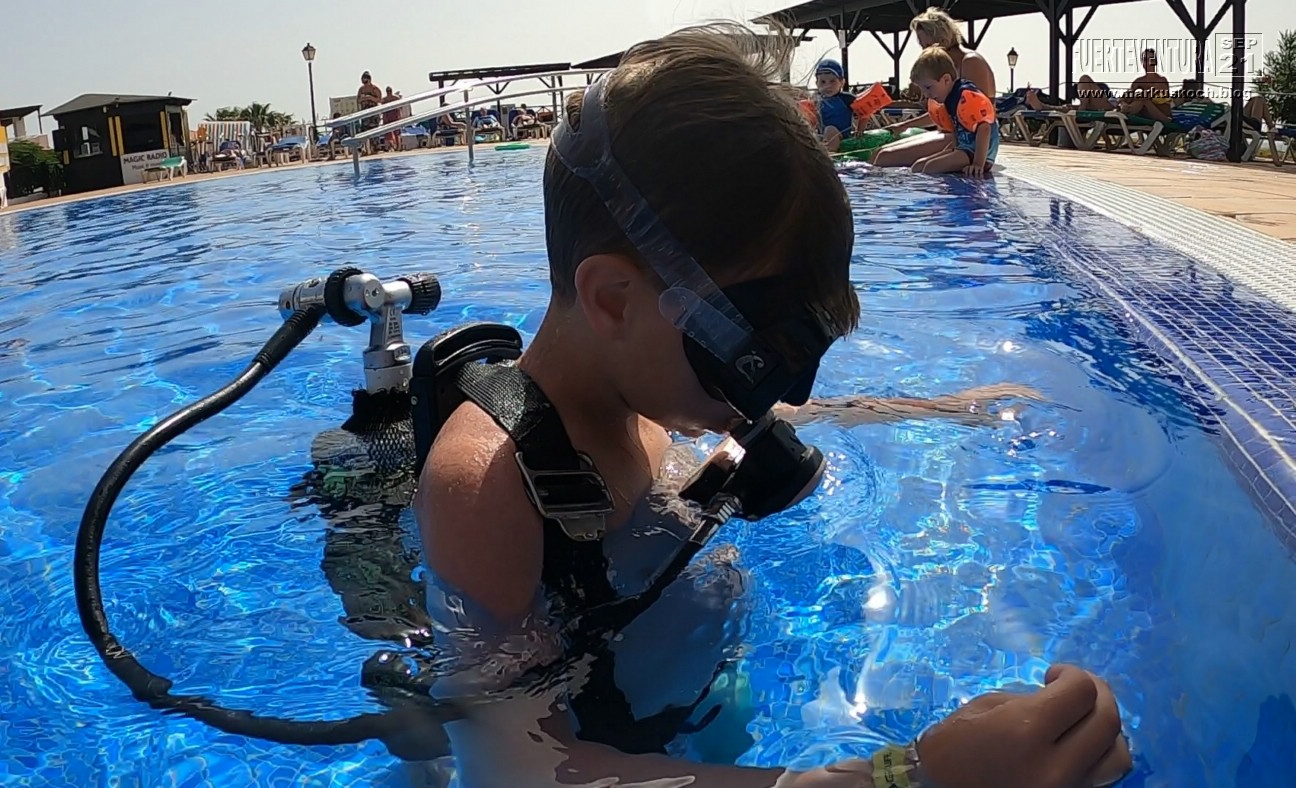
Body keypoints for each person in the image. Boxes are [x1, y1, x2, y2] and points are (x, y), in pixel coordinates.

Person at [414, 22, 1132, 788]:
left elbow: (781, 414)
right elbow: (511, 767)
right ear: (615, 300)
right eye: (752, 360)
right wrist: (909, 779)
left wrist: (935, 408)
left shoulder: (648, 396)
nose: (781, 392)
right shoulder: (488, 493)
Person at [871, 7, 997, 168]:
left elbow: (980, 117)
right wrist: (902, 126)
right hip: (949, 134)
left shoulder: (970, 62)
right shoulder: (942, 68)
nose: (925, 52)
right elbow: (945, 112)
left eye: (928, 45)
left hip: (969, 142)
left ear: (942, 40)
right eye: (923, 46)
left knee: (885, 157)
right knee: (879, 153)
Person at [908, 45, 1000, 177]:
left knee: (930, 168)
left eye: (928, 87)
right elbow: (957, 131)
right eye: (923, 90)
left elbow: (985, 129)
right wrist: (948, 151)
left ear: (946, 80)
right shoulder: (950, 98)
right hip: (965, 148)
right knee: (918, 166)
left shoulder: (965, 97)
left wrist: (978, 164)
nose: (926, 95)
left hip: (978, 153)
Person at [805, 58, 869, 152]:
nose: (827, 86)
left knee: (830, 130)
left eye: (832, 81)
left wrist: (860, 130)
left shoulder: (846, 98)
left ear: (842, 82)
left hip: (841, 134)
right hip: (823, 135)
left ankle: (830, 152)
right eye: (823, 82)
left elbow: (864, 111)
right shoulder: (816, 100)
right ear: (816, 83)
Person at [1117, 48, 1171, 122]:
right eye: (1145, 60)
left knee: (1144, 100)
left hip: (1163, 116)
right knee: (1132, 99)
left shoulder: (1161, 81)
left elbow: (1147, 95)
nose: (1148, 62)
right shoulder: (1138, 81)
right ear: (1142, 62)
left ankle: (1125, 113)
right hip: (1146, 114)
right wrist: (1123, 103)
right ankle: (1124, 112)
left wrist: (1132, 96)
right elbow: (1123, 97)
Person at [357, 71, 384, 154]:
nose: (364, 83)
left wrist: (370, 97)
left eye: (366, 81)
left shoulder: (375, 89)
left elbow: (380, 100)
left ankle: (374, 148)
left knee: (374, 131)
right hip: (365, 113)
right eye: (363, 82)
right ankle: (365, 149)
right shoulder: (361, 89)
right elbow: (358, 100)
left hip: (373, 113)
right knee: (364, 131)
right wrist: (363, 98)